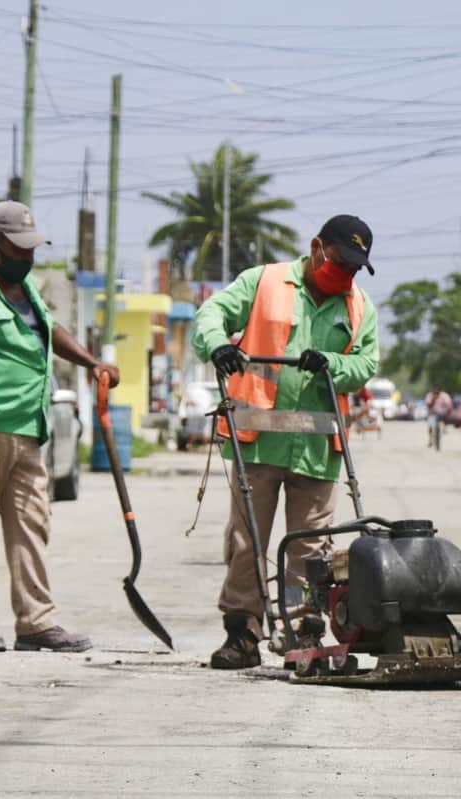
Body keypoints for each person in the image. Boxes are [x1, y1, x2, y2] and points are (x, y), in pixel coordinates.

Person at [0, 201, 120, 653]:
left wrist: (92, 363)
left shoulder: (22, 287)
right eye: (20, 249)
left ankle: (36, 622)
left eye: (32, 249)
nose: (28, 257)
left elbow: (51, 329)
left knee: (32, 526)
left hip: (28, 427)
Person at [191, 214, 380, 669]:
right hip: (257, 441)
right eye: (339, 262)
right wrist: (218, 346)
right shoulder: (265, 282)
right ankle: (243, 633)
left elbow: (366, 364)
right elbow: (210, 314)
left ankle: (302, 633)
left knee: (309, 548)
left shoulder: (358, 305)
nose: (345, 274)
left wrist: (333, 363)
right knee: (246, 541)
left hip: (317, 449)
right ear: (316, 247)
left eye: (354, 268)